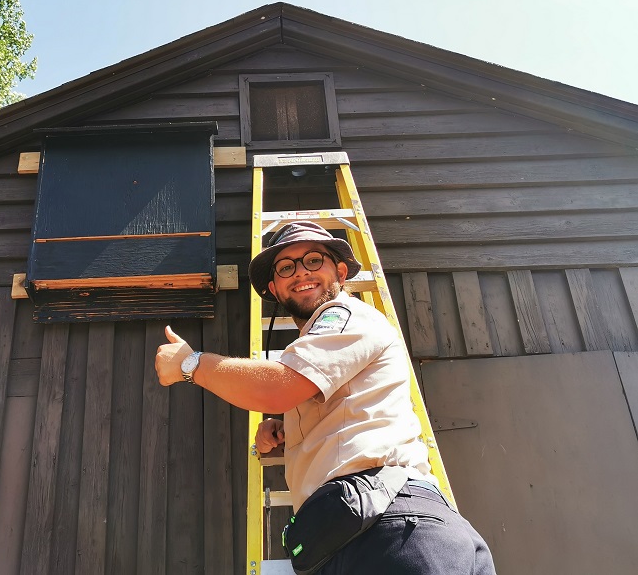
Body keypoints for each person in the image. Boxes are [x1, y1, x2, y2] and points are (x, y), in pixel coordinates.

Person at [154, 221, 495, 574]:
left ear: (341, 271)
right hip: (371, 530)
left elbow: (279, 388)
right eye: (286, 267)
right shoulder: (320, 344)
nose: (301, 272)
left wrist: (190, 364)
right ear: (274, 288)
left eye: (313, 260)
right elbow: (324, 402)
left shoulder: (343, 315)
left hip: (386, 527)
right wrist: (289, 425)